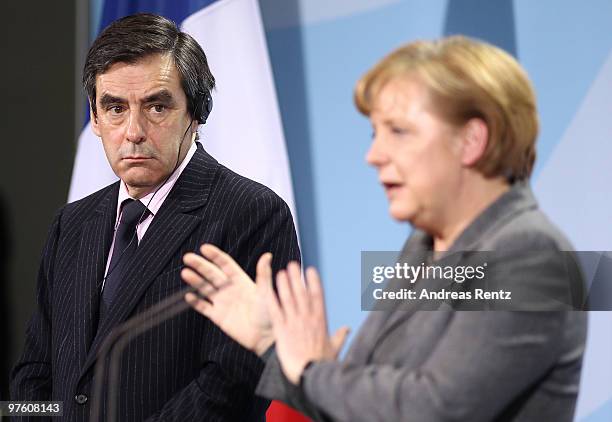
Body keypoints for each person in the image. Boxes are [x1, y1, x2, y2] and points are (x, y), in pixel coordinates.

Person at [181, 36, 587, 421]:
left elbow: (428, 409)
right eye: (375, 133)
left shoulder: (534, 255)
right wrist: (274, 346)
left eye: (398, 131)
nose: (373, 155)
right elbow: (356, 401)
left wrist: (309, 370)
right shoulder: (422, 247)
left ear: (471, 140)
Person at [10, 13, 300, 421]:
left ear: (197, 113)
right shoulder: (70, 225)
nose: (133, 131)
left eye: (157, 106)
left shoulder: (252, 214)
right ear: (94, 118)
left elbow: (234, 383)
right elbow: (33, 372)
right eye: (114, 108)